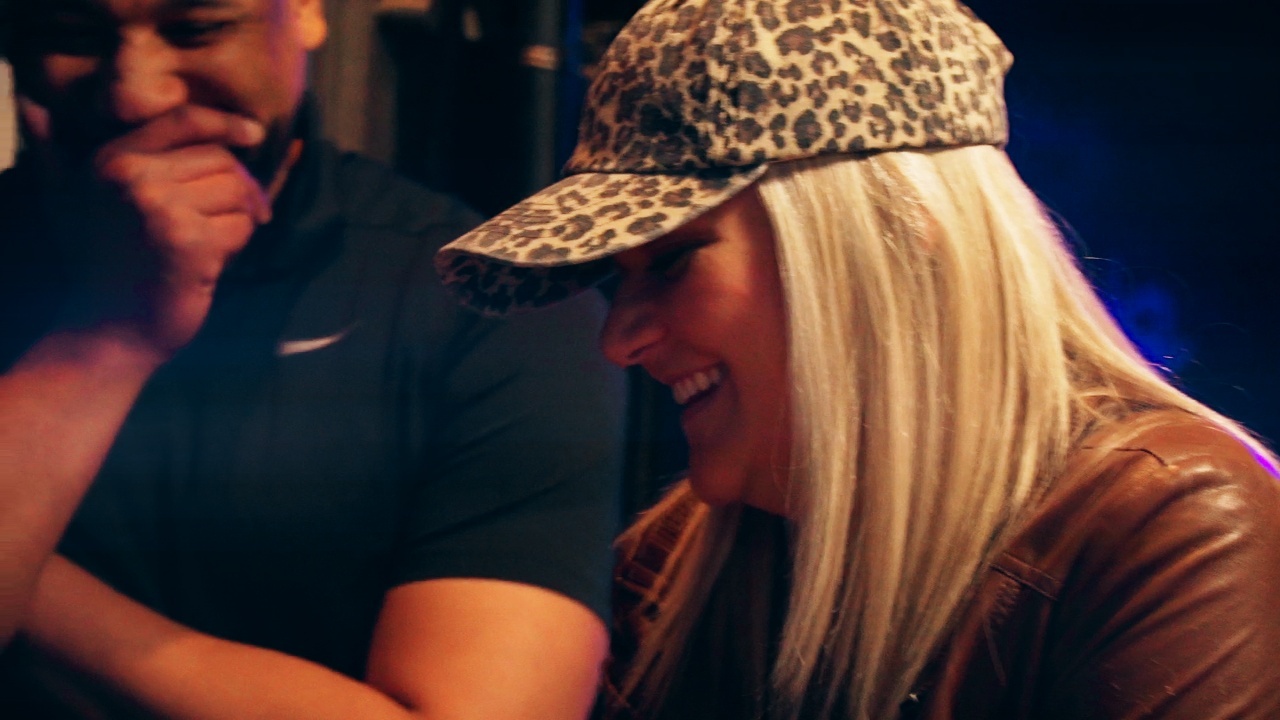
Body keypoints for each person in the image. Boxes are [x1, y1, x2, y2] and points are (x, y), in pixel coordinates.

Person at [434, 0, 1280, 717]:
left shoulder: (1170, 526)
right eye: (618, 278)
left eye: (673, 260)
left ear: (898, 244)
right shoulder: (673, 567)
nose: (619, 339)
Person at [0, 1, 625, 718]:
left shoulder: (482, 301)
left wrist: (28, 573)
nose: (136, 95)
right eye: (71, 35)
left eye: (198, 30)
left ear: (303, 9)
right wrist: (105, 341)